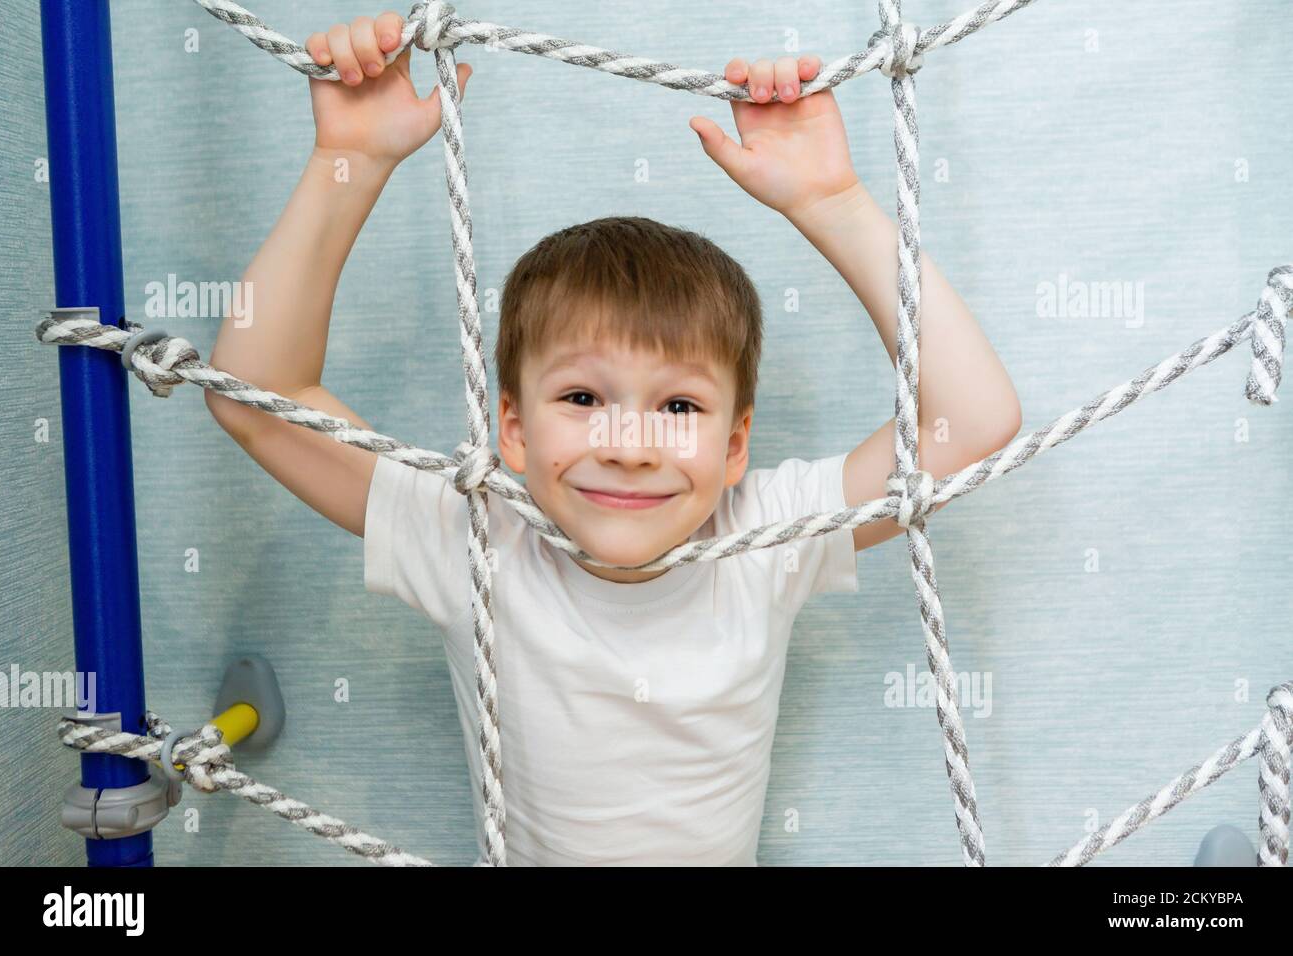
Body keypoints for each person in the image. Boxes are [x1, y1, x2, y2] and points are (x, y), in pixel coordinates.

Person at [205, 10, 1022, 865]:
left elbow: (972, 422)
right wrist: (352, 161)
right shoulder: (475, 535)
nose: (631, 442)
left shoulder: (761, 536)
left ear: (735, 445)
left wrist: (834, 203)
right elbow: (257, 399)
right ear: (511, 428)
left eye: (679, 409)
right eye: (585, 396)